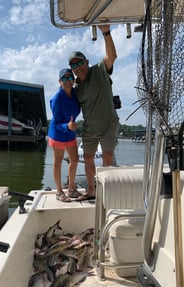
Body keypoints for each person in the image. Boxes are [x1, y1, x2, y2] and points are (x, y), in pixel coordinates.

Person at [68, 24, 119, 201]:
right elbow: (71, 107)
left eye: (80, 62)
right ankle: (91, 190)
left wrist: (106, 32)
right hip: (90, 128)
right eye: (74, 65)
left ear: (87, 62)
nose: (78, 67)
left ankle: (109, 192)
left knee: (107, 157)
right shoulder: (76, 87)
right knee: (88, 157)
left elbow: (112, 56)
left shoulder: (99, 70)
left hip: (109, 123)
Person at [48, 68, 82, 202]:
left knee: (74, 160)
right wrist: (66, 126)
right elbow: (55, 123)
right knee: (58, 162)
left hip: (70, 133)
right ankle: (59, 192)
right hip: (58, 133)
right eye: (64, 79)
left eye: (70, 78)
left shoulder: (75, 93)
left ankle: (71, 189)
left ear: (73, 80)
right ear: (59, 81)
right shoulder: (57, 99)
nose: (67, 81)